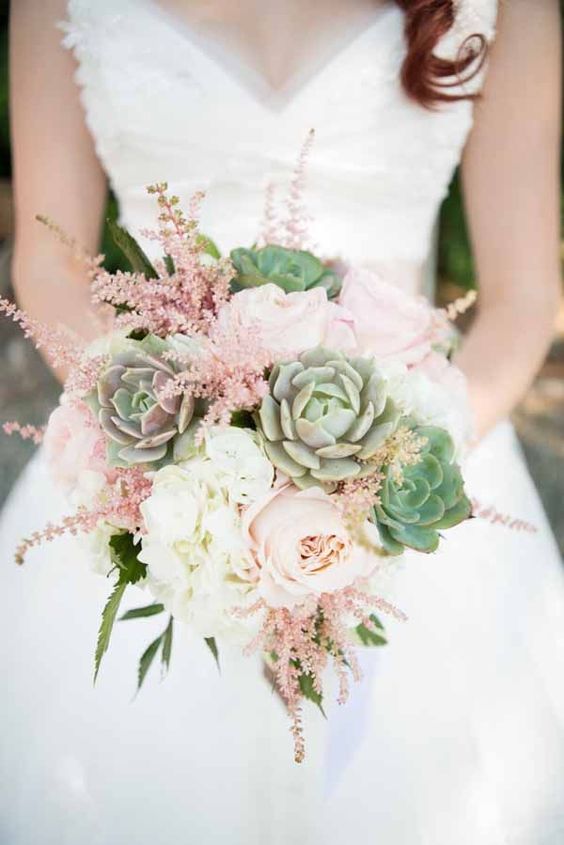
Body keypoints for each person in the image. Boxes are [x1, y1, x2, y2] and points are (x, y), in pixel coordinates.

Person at [1, 1, 563, 842]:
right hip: (155, 470)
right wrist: (173, 447)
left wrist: (382, 477)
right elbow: (49, 260)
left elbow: (521, 301)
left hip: (423, 453)